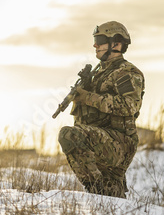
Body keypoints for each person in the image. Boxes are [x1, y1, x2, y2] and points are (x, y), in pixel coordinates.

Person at [58, 21, 145, 198]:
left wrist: (87, 97)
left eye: (100, 39)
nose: (95, 45)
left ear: (117, 43)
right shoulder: (99, 73)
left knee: (69, 135)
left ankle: (96, 192)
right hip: (102, 140)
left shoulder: (127, 72)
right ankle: (104, 196)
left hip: (120, 142)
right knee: (113, 200)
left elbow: (130, 105)